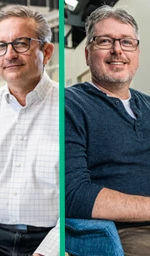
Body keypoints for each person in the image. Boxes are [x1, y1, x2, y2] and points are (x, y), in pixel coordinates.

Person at [65, 5, 150, 255]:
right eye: (105, 41)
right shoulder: (69, 105)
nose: (117, 50)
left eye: (126, 42)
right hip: (124, 233)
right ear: (87, 53)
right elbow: (74, 194)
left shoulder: (148, 104)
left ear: (137, 52)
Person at [0, 5, 59, 256]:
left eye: (21, 43)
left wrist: (48, 251)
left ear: (46, 52)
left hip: (53, 242)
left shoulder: (74, 110)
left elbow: (79, 195)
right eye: (0, 46)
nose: (9, 54)